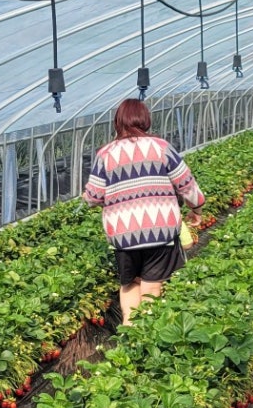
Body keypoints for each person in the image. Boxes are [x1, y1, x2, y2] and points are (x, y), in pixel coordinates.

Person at [84, 98, 205, 325]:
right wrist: (196, 208)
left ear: (117, 122)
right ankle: (146, 335)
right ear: (145, 120)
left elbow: (92, 197)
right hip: (160, 231)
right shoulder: (161, 147)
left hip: (123, 235)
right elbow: (187, 185)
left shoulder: (105, 154)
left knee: (129, 283)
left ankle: (129, 329)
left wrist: (115, 199)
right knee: (152, 285)